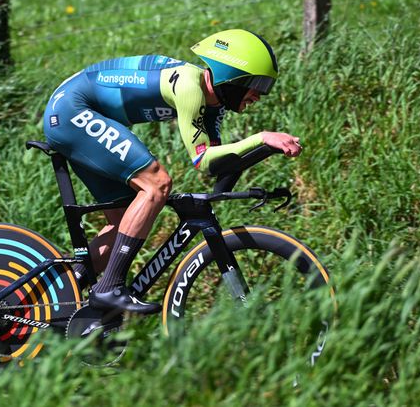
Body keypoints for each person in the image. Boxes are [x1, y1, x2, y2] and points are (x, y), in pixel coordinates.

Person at [42, 29, 302, 314]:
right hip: (71, 109)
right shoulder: (190, 86)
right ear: (230, 75)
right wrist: (262, 138)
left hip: (77, 110)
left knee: (125, 220)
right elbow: (202, 160)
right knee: (157, 184)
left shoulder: (213, 106)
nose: (259, 94)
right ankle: (109, 287)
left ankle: (56, 296)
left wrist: (263, 151)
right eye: (256, 83)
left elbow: (217, 164)